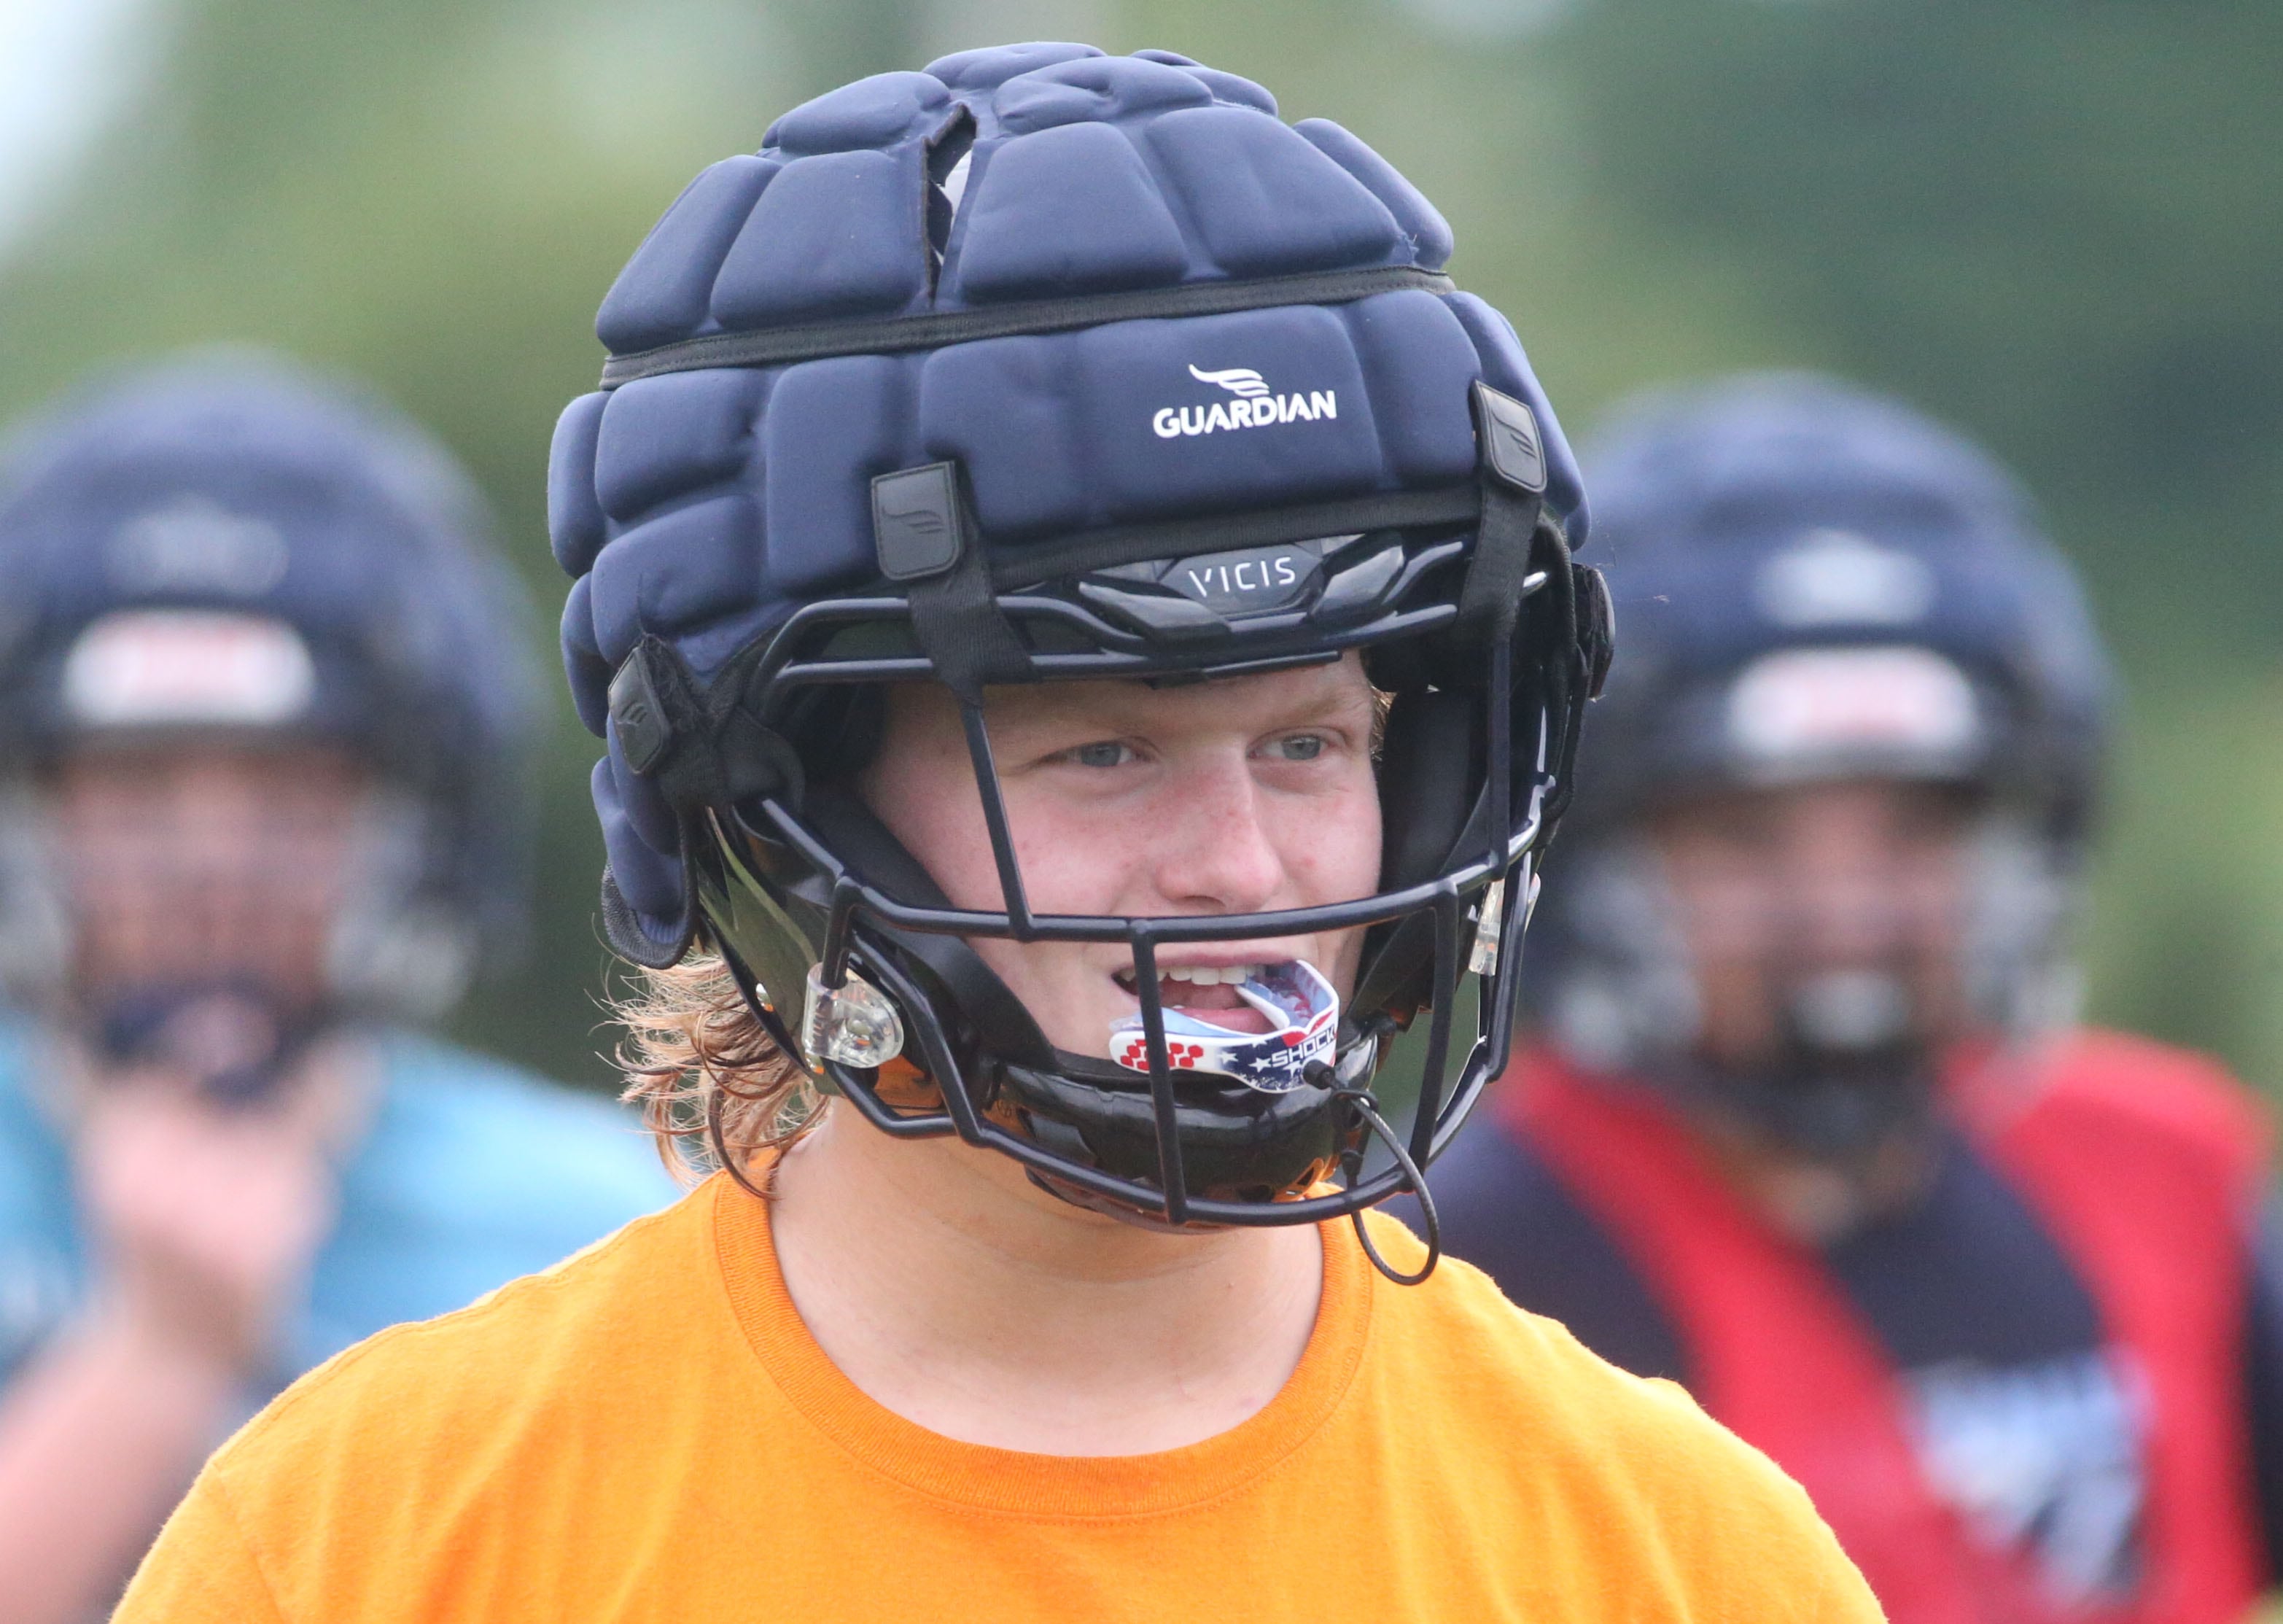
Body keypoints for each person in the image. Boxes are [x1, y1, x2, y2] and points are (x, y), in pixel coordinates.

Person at [114, 47, 1878, 1622]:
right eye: (1105, 750)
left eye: (1309, 740)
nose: (1245, 870)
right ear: (786, 806)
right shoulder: (367, 1546)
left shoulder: (1682, 1562)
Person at [1401, 371, 2279, 1623]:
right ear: (1586, 853)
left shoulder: (2163, 1179)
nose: (1845, 911)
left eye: (1917, 827)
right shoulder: (1475, 1275)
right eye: (1746, 833)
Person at [0, 353, 678, 1624]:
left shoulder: (603, 1226)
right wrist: (151, 1363)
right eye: (139, 786)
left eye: (291, 787)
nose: (211, 859)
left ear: (411, 807)